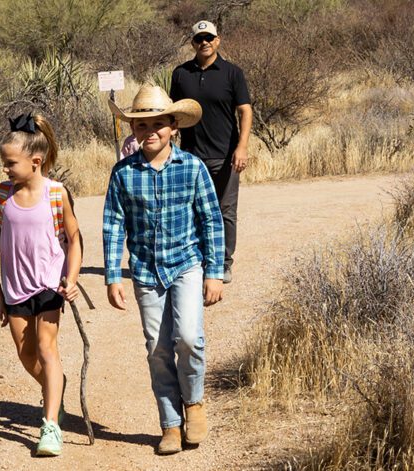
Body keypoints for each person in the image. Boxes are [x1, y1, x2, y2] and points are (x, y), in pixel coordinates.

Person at [103, 86, 225, 455]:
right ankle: (170, 424)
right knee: (157, 349)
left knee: (188, 338)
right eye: (142, 125)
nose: (150, 131)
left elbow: (211, 220)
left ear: (174, 126)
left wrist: (214, 271)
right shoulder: (123, 173)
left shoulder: (192, 168)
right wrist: (112, 275)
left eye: (159, 124)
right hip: (144, 271)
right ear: (133, 130)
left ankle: (194, 405)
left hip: (186, 264)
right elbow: (113, 224)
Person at [0, 113, 82, 457]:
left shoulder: (55, 193)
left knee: (46, 346)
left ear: (35, 162)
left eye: (10, 163)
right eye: (4, 163)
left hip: (49, 283)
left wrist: (73, 277)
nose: (5, 169)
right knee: (26, 354)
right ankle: (55, 387)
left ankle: (50, 424)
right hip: (15, 286)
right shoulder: (1, 195)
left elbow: (73, 237)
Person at [170, 20, 253, 284]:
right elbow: (174, 112)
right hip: (191, 156)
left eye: (209, 38)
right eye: (199, 39)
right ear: (192, 43)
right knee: (193, 211)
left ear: (217, 40)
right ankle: (199, 260)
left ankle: (224, 262)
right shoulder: (181, 74)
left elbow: (245, 110)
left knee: (225, 210)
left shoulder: (232, 73)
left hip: (225, 156)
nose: (204, 42)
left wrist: (241, 147)